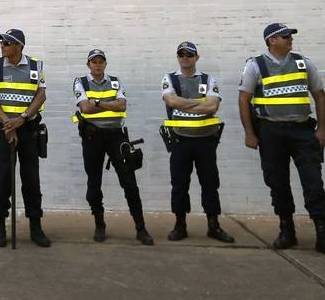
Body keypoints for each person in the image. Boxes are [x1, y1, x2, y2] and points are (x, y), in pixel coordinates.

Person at [238, 23, 325, 260]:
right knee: (277, 183)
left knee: (313, 182)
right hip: (270, 132)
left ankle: (324, 235)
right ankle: (287, 230)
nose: (290, 39)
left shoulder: (303, 63)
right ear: (272, 40)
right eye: (285, 36)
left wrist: (321, 129)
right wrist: (250, 133)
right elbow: (244, 100)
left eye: (290, 36)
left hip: (302, 131)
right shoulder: (255, 65)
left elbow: (319, 96)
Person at [73, 49, 153, 245]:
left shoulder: (115, 82)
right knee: (94, 183)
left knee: (129, 182)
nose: (97, 64)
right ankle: (99, 224)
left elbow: (122, 105)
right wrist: (109, 103)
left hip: (116, 137)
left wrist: (97, 102)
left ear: (105, 64)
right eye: (94, 61)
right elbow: (85, 107)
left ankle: (141, 228)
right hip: (92, 137)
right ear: (88, 65)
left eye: (101, 61)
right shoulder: (80, 82)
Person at [160, 42, 234, 243]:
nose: (185, 58)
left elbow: (212, 107)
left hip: (206, 140)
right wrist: (200, 102)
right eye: (181, 54)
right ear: (178, 57)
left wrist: (184, 102)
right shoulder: (169, 78)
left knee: (210, 183)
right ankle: (180, 225)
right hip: (180, 139)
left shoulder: (209, 79)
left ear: (197, 57)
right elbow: (171, 101)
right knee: (179, 184)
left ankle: (213, 225)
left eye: (189, 54)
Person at [0, 28, 50, 247]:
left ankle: (35, 226)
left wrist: (22, 118)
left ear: (19, 46)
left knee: (31, 180)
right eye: (2, 43)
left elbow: (41, 95)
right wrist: (7, 123)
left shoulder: (35, 66)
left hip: (28, 129)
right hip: (5, 131)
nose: (2, 46)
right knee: (2, 180)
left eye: (7, 43)